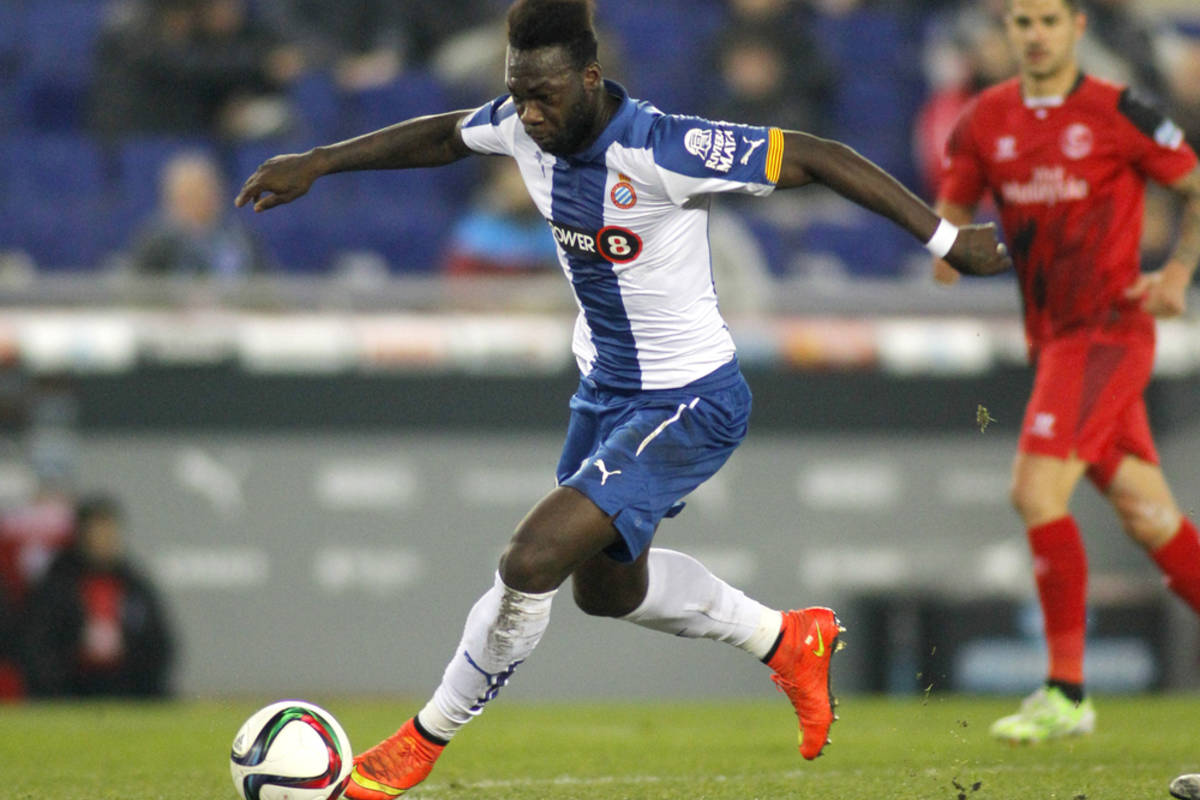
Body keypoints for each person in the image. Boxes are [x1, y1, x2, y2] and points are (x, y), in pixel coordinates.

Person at [235, 1, 1009, 796]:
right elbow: (443, 136)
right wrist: (318, 161)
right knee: (609, 592)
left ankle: (421, 742)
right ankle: (784, 640)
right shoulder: (520, 123)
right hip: (605, 395)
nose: (528, 115)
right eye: (518, 95)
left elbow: (819, 155)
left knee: (530, 560)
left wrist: (948, 240)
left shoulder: (664, 147)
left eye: (543, 97)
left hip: (690, 400)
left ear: (589, 78)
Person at [933, 0, 1200, 743]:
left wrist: (1178, 272)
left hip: (1108, 334)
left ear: (1077, 26)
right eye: (1023, 22)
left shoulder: (1120, 111)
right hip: (1053, 342)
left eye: (1049, 20)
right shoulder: (984, 119)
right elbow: (949, 216)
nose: (1036, 34)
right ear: (1008, 30)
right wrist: (949, 252)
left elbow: (1194, 184)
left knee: (1035, 490)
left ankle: (1066, 691)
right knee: (1150, 517)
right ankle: (1066, 692)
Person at [20, 495, 176, 698]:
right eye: (98, 532)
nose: (105, 540)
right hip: (71, 689)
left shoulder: (135, 585)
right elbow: (37, 644)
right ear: (82, 535)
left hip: (128, 688)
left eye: (110, 532)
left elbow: (158, 642)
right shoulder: (57, 584)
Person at [129, 151, 272, 278]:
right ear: (172, 198)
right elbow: (135, 285)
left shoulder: (240, 237)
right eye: (191, 193)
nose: (202, 198)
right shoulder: (156, 242)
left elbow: (265, 283)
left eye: (207, 190)